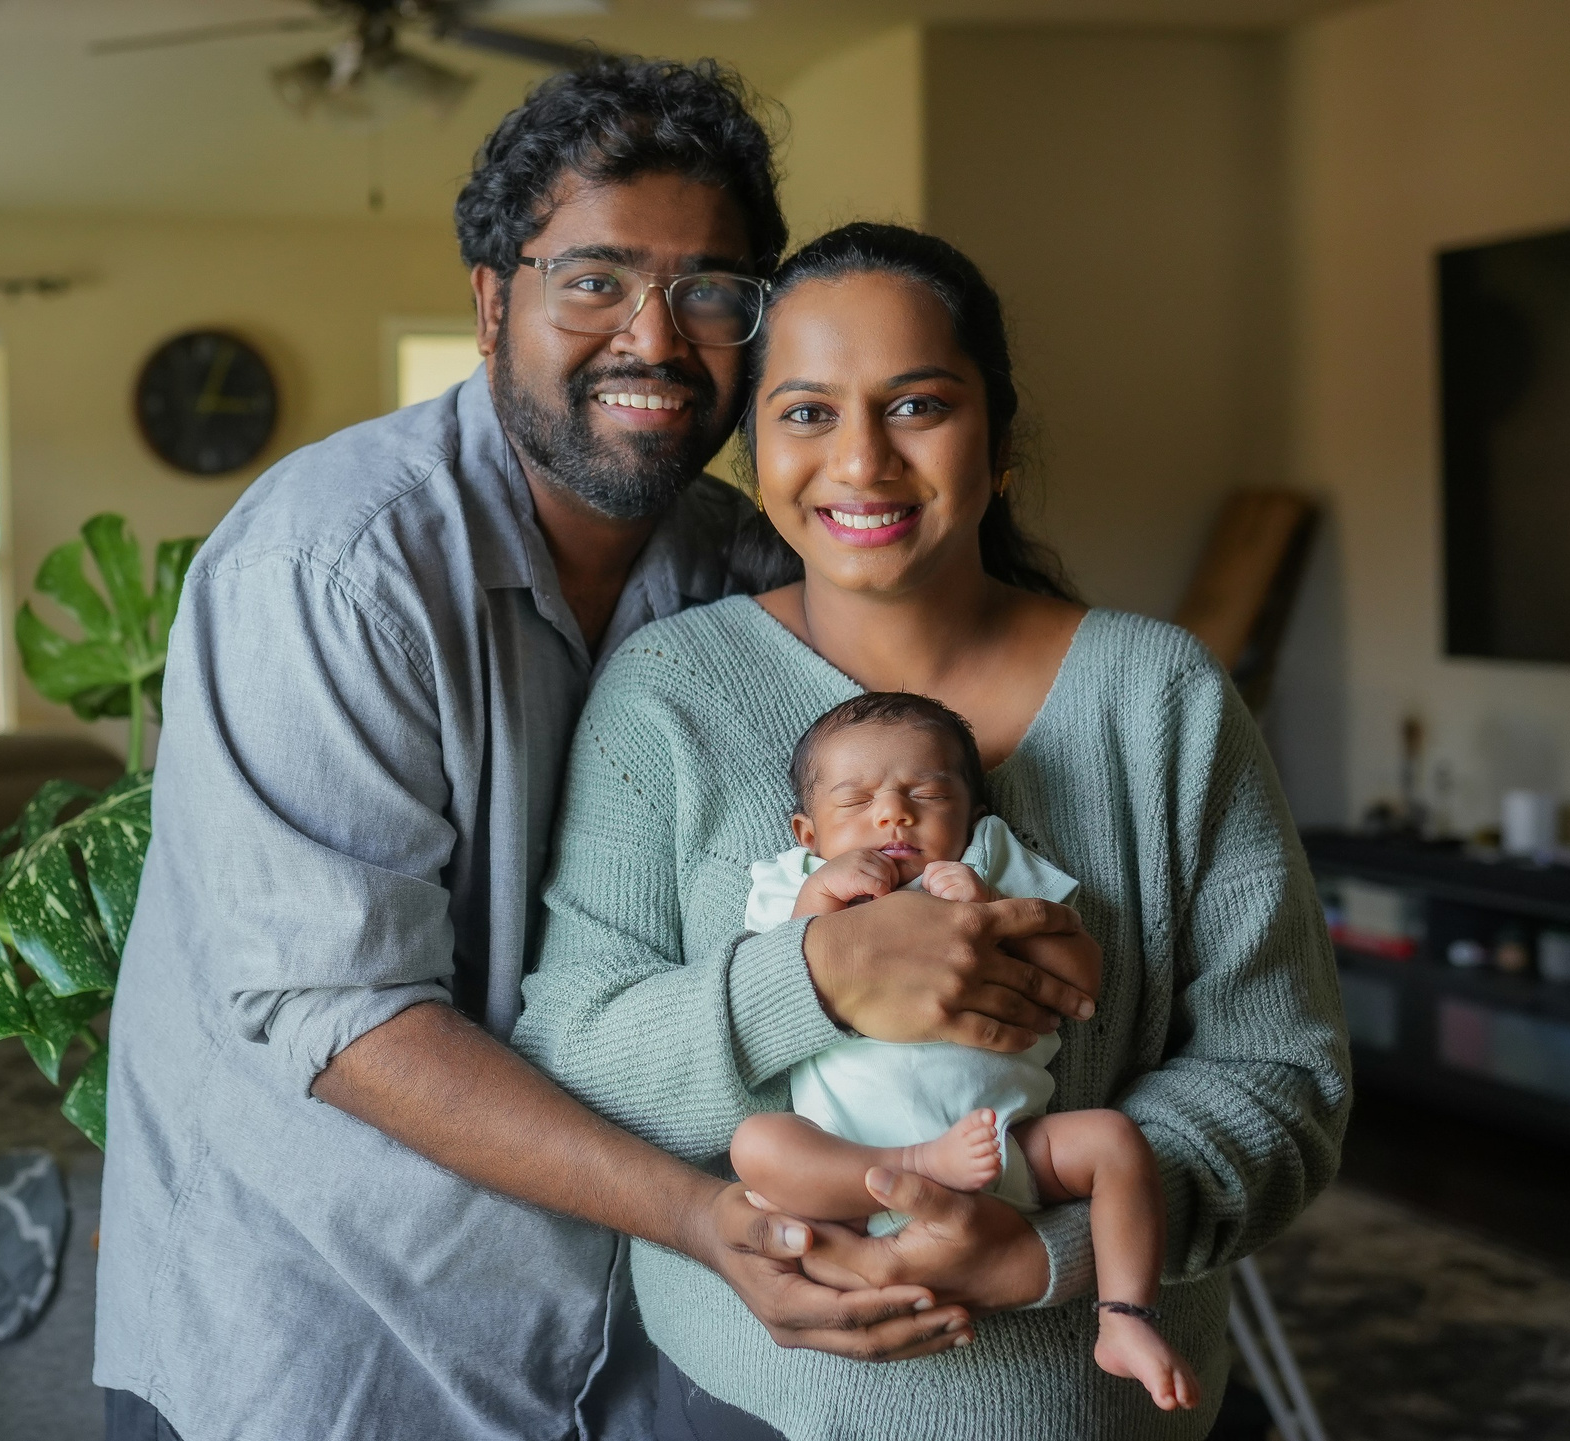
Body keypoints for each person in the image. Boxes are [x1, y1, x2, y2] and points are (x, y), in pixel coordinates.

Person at [95, 66, 1102, 1441]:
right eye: (594, 282)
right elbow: (344, 1016)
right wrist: (703, 1213)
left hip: (630, 1337)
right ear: (491, 301)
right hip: (323, 1331)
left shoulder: (735, 570)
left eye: (710, 294)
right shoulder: (331, 570)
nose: (656, 340)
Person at [512, 222, 1349, 1439]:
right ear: (753, 452)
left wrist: (1039, 1256)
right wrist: (813, 977)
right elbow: (575, 1044)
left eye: (916, 405)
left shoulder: (1156, 695)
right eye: (805, 412)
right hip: (739, 1403)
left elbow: (1284, 1079)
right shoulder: (669, 695)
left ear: (999, 443)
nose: (861, 460)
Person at [729, 691, 1199, 1412]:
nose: (893, 814)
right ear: (807, 830)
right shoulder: (791, 881)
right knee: (760, 1145)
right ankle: (921, 1168)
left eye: (924, 793)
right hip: (855, 1167)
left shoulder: (996, 860)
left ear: (974, 815)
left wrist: (985, 905)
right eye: (856, 800)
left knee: (1114, 1141)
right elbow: (769, 988)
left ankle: (1125, 1317)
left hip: (1009, 1145)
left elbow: (1081, 981)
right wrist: (817, 913)